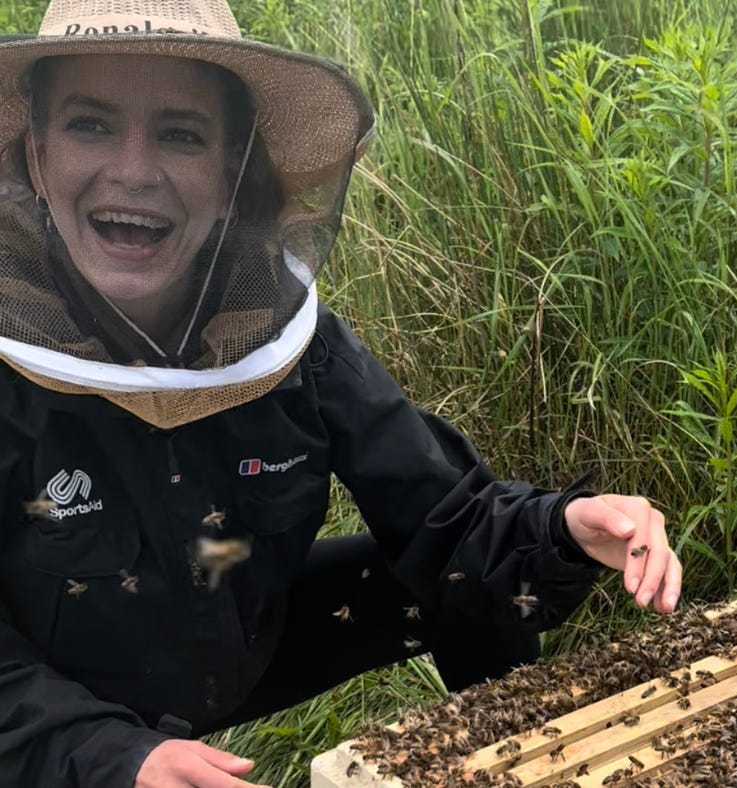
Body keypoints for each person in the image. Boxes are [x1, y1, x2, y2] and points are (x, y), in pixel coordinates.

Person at [0, 1, 683, 786]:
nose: (132, 170)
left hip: (246, 639)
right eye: (90, 125)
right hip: (56, 702)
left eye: (180, 134)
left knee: (449, 588)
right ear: (35, 160)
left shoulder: (293, 338)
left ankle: (516, 766)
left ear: (231, 175)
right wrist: (115, 758)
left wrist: (564, 528)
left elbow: (445, 520)